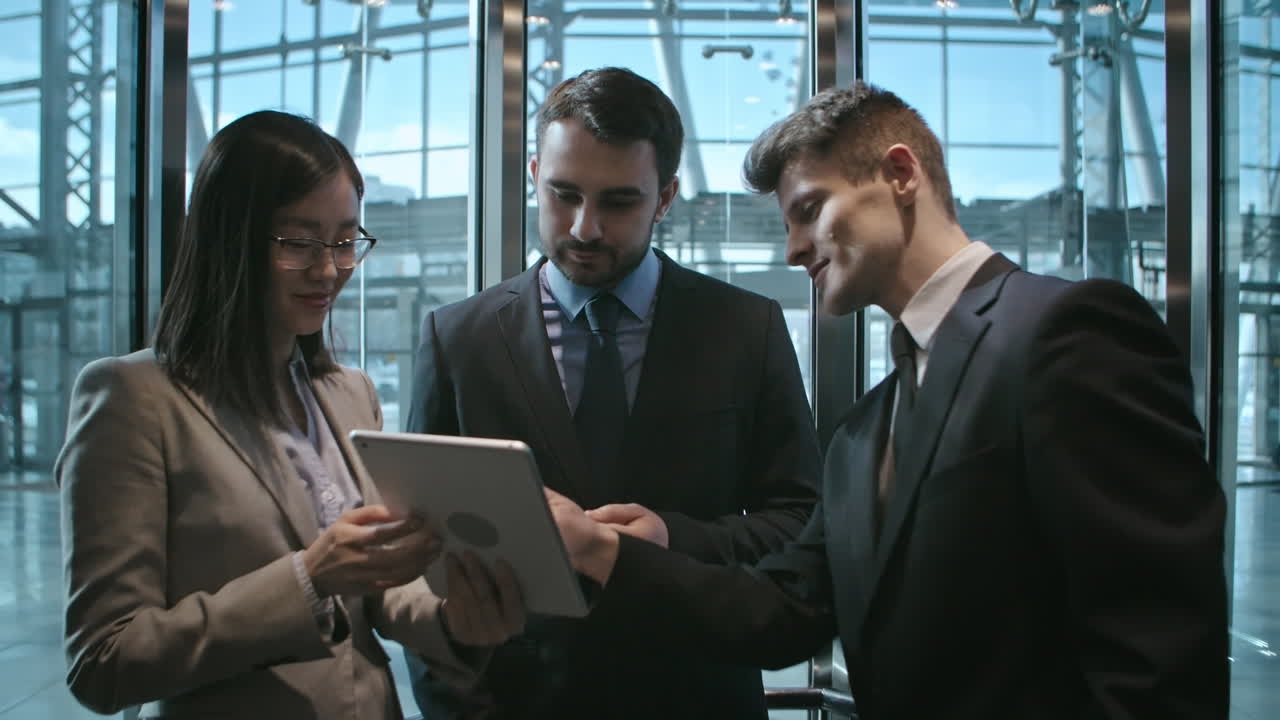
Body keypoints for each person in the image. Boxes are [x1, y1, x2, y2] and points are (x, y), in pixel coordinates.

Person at [548, 82, 1230, 719]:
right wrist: (602, 554)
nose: (792, 250)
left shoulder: (1067, 332)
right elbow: (781, 608)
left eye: (809, 209)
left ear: (901, 175)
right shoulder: (865, 430)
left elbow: (1158, 645)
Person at [55, 110, 525, 719]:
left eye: (345, 241)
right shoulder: (134, 399)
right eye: (299, 243)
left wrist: (454, 617)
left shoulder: (347, 393)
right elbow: (103, 658)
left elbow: (375, 591)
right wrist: (307, 578)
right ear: (231, 238)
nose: (329, 269)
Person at [404, 66, 822, 719]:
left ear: (666, 197)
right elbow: (420, 546)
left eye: (618, 202)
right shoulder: (458, 339)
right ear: (535, 172)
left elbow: (800, 521)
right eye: (563, 194)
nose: (583, 228)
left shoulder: (746, 328)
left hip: (696, 695)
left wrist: (669, 539)